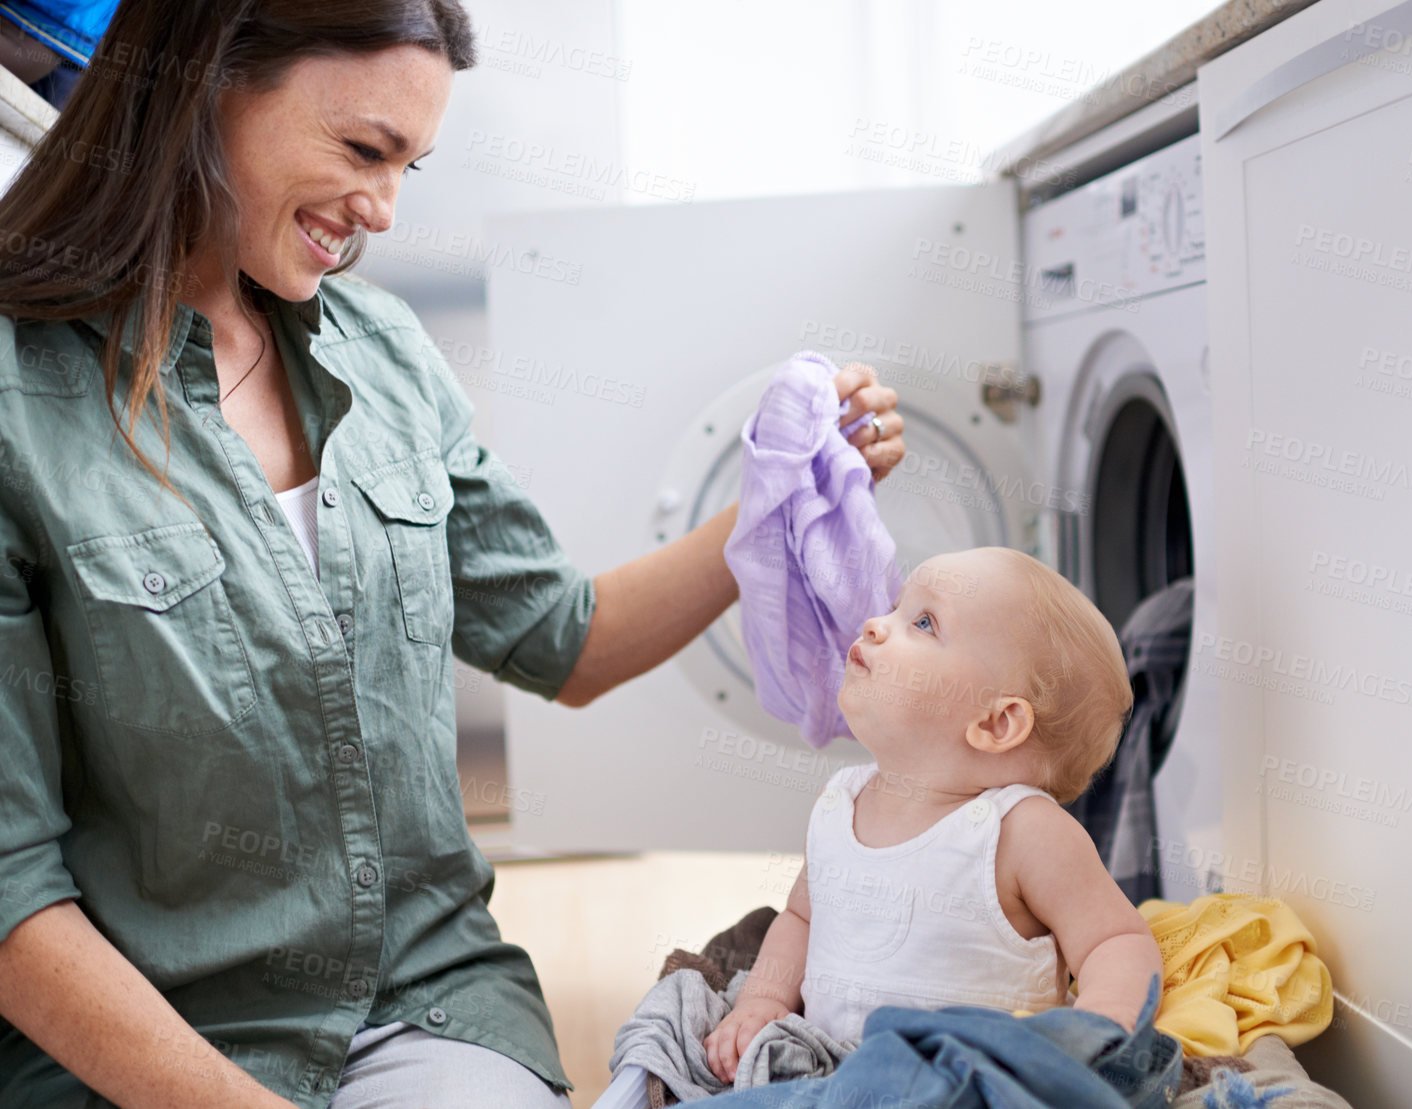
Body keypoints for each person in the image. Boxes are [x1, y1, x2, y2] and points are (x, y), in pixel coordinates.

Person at [0, 2, 905, 1107]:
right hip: (144, 1045)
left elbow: (566, 641)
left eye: (409, 167)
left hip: (420, 1007)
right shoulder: (19, 402)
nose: (379, 209)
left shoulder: (380, 351)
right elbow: (10, 888)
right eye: (362, 149)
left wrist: (786, 497)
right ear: (205, 86)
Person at [701, 547, 1162, 1084]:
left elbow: (1115, 939)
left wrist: (1103, 1023)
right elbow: (802, 919)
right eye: (895, 608)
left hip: (971, 1083)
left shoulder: (1019, 831)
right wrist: (760, 1001)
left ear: (996, 723)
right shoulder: (839, 803)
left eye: (923, 622)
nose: (876, 625)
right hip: (829, 1070)